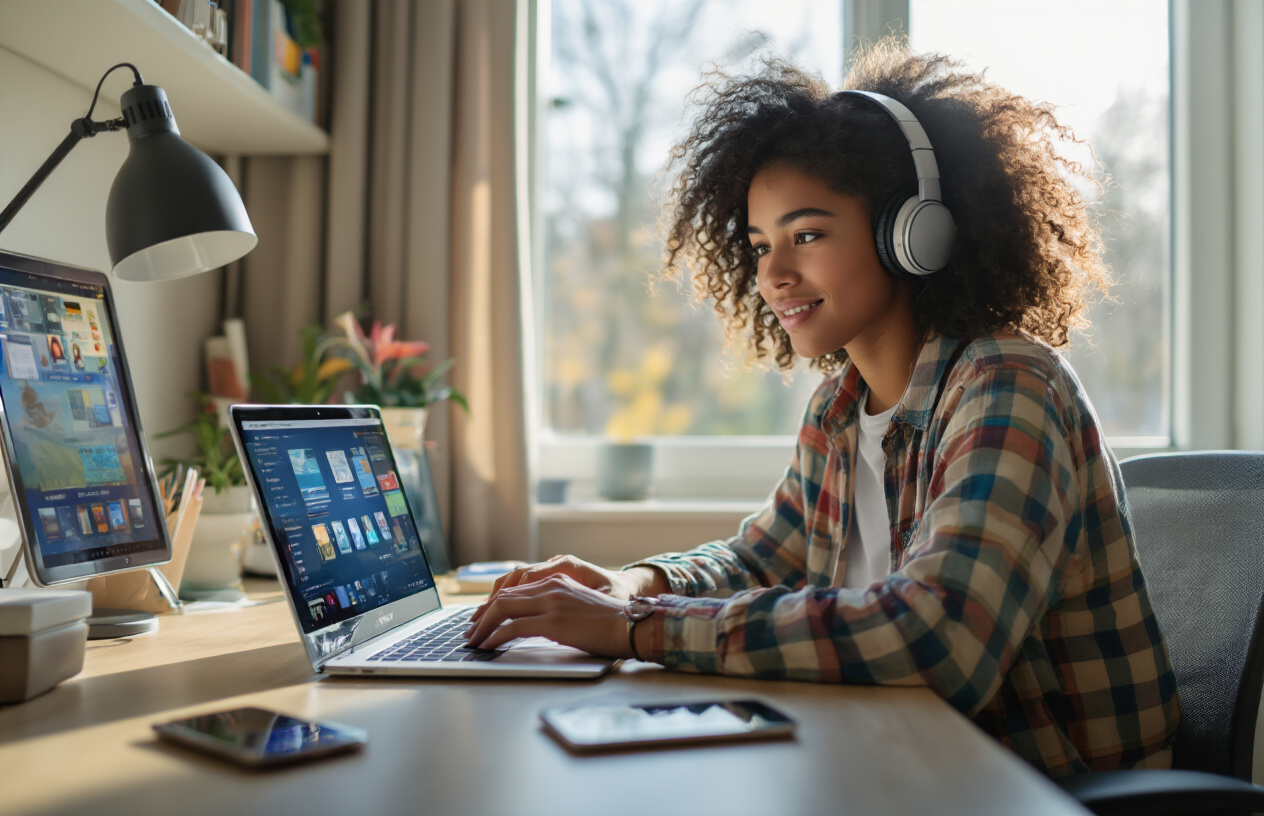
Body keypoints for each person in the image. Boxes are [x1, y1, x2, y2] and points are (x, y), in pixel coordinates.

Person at [464, 40, 1180, 776]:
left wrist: (638, 628)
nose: (774, 274)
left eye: (806, 235)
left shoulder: (1009, 388)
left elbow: (939, 640)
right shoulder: (840, 409)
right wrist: (632, 584)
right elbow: (758, 558)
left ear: (911, 235)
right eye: (759, 243)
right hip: (915, 760)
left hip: (1050, 785)